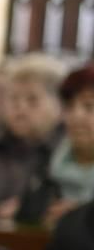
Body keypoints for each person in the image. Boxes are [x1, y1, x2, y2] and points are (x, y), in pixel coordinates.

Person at [0, 54, 66, 224]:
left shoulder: (67, 154)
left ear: (60, 106)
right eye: (13, 98)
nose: (20, 107)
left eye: (32, 100)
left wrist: (30, 208)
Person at [20, 63, 94, 228]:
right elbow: (25, 222)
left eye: (89, 107)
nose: (76, 116)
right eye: (69, 107)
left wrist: (82, 218)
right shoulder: (45, 166)